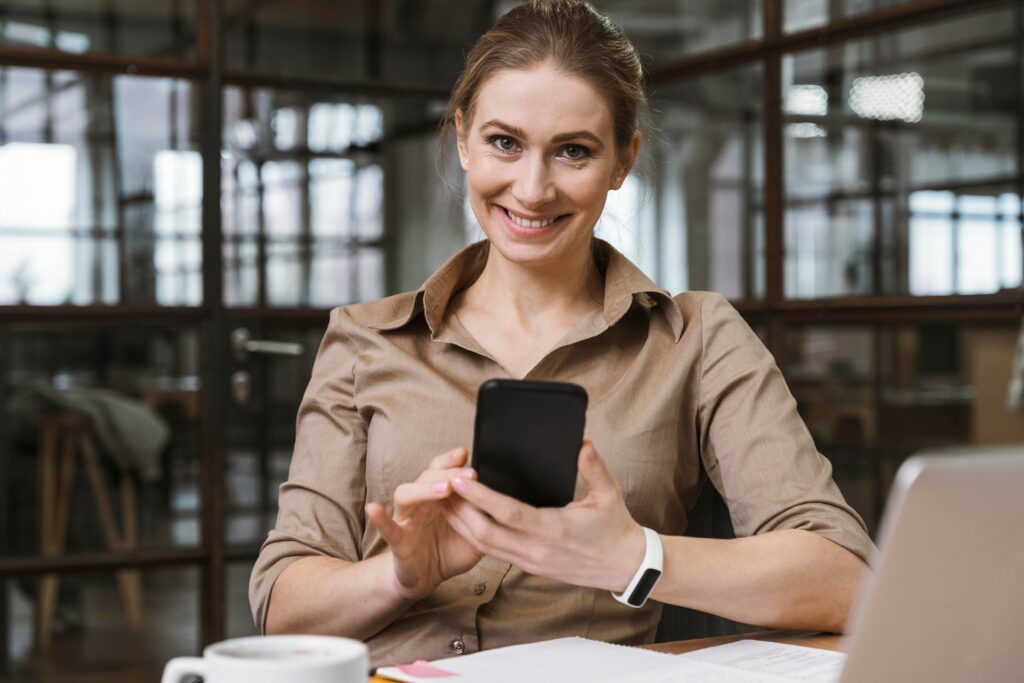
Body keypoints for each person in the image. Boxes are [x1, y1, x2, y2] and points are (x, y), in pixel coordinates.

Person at [249, 0, 873, 667]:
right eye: (504, 143)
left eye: (573, 150)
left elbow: (847, 579)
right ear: (463, 137)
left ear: (623, 160)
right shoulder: (364, 340)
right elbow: (282, 607)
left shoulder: (698, 338)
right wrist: (403, 575)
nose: (533, 187)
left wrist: (633, 554)